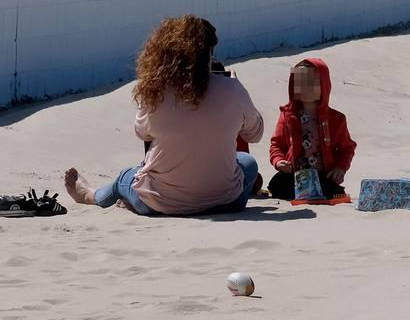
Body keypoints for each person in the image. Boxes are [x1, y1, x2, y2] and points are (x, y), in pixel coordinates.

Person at [64, 15, 263, 216]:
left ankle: (89, 195)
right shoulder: (232, 89)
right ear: (209, 54)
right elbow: (255, 134)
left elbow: (143, 133)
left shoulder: (157, 91)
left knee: (124, 178)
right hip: (224, 202)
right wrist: (236, 93)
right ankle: (109, 196)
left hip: (159, 203)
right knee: (248, 163)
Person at [268, 58, 356, 200]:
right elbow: (276, 144)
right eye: (299, 82)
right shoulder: (287, 115)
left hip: (322, 174)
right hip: (295, 175)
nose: (304, 88)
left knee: (333, 192)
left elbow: (347, 148)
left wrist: (340, 168)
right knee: (276, 186)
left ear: (323, 85)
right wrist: (278, 161)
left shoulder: (336, 119)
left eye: (310, 83)